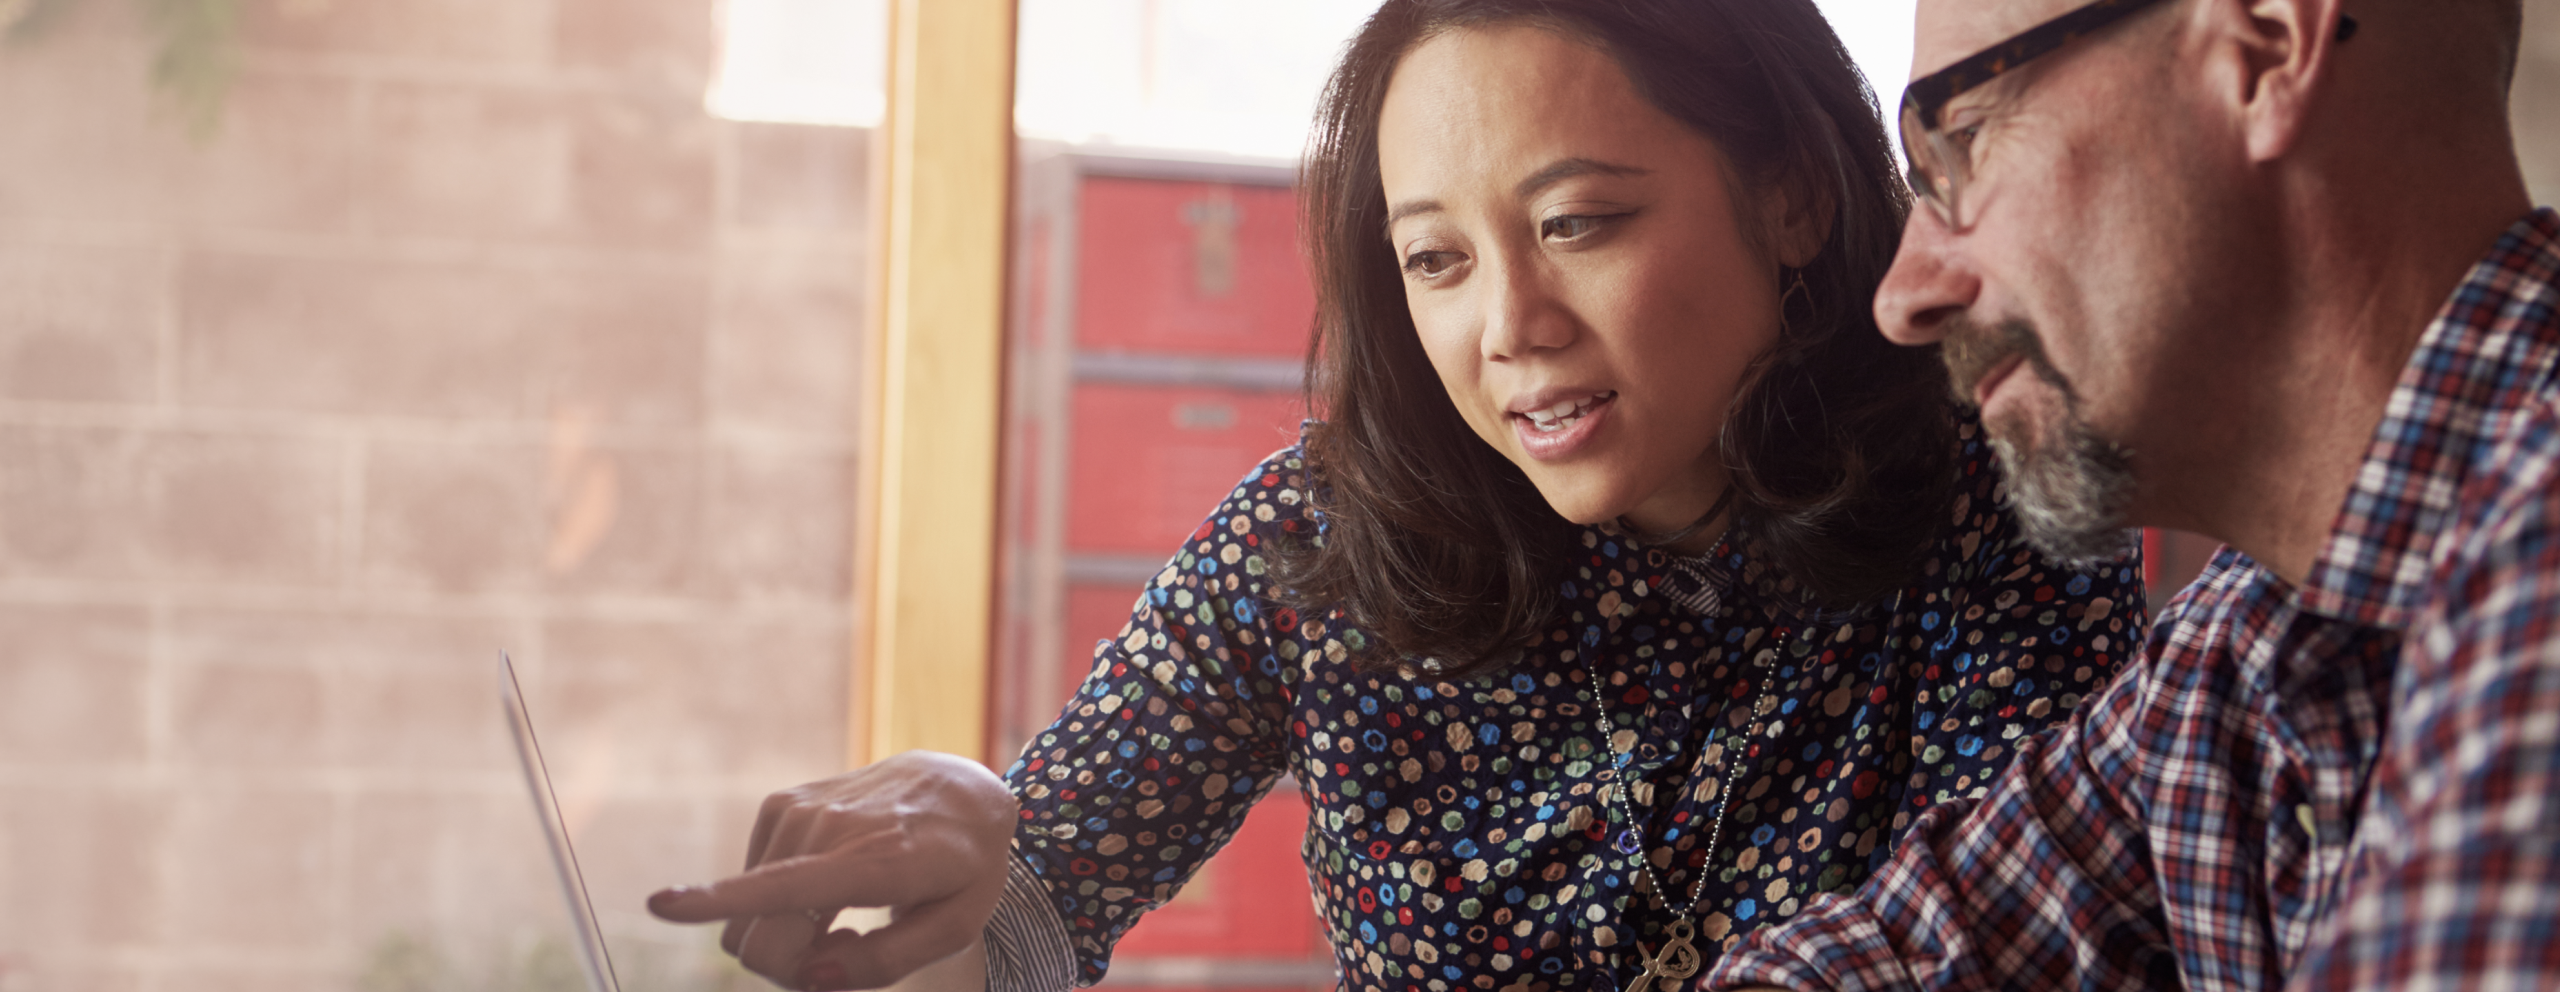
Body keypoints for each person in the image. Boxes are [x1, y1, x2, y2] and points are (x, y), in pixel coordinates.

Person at [648, 2, 2148, 990]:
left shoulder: (2002, 505)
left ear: (1795, 200)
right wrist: (972, 862)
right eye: (1438, 258)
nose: (1511, 324)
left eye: (1578, 222)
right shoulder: (1324, 536)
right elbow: (1038, 892)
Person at [1701, 0, 2560, 989]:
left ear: (2265, 50)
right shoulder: (2238, 648)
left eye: (1963, 142)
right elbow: (1904, 949)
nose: (1903, 297)